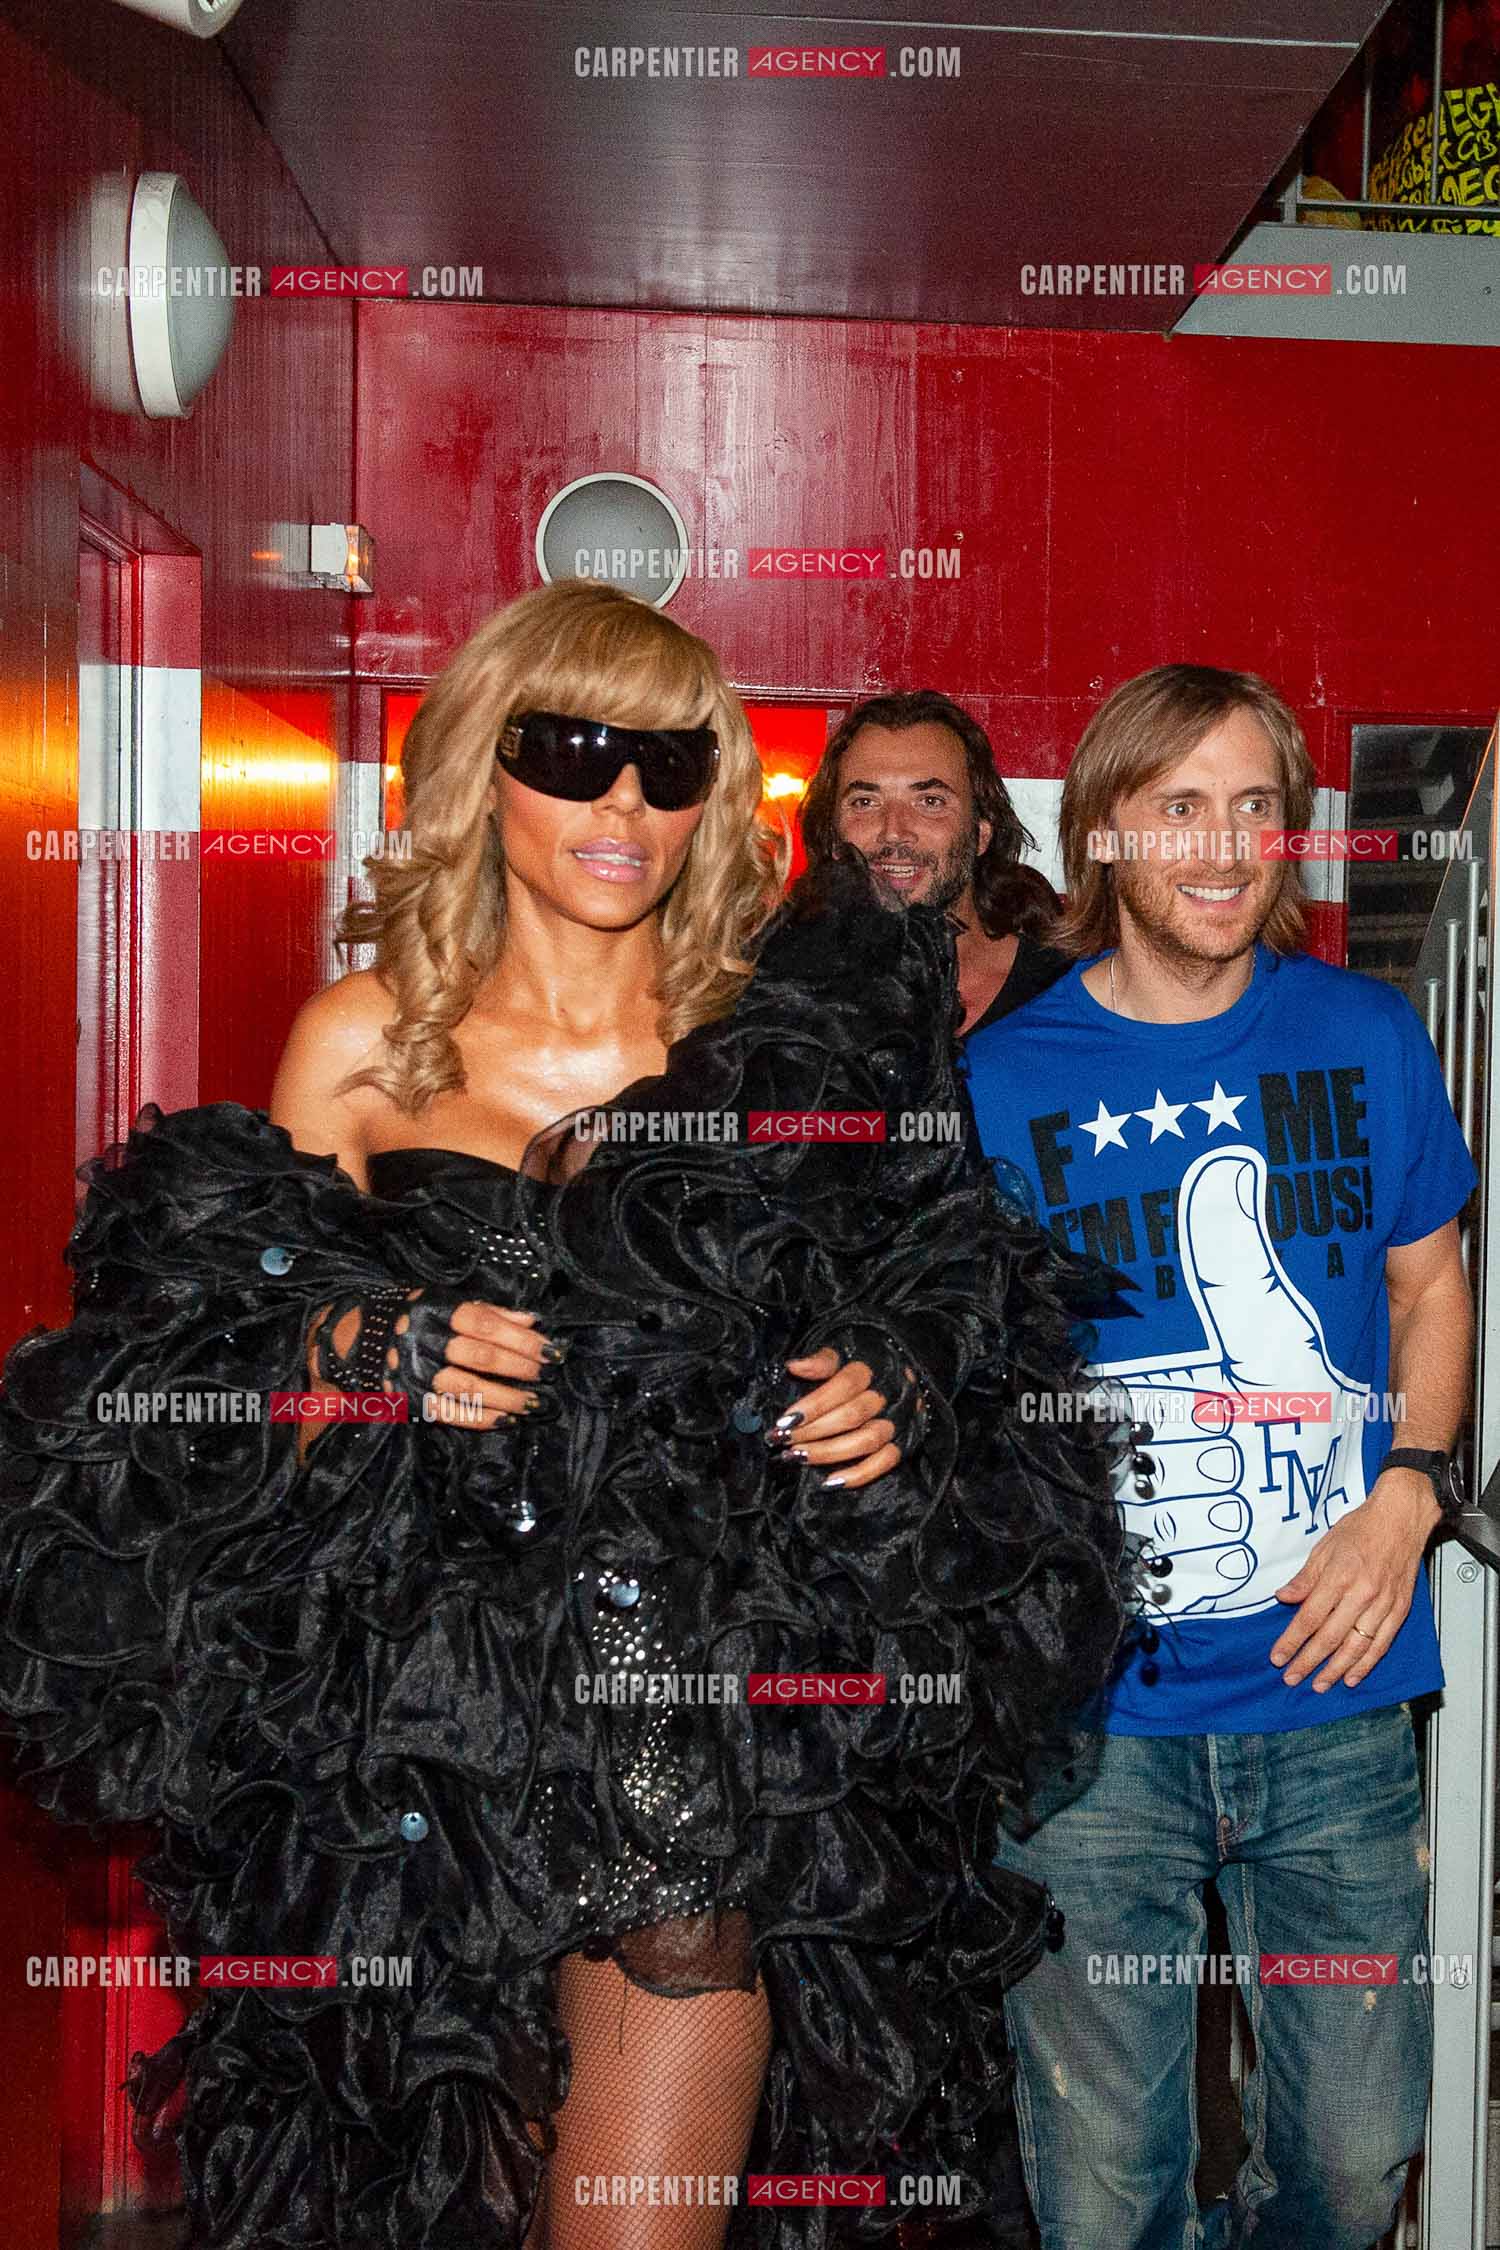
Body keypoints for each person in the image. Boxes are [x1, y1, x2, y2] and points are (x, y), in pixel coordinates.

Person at [0, 582, 1130, 2250]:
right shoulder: (365, 1043)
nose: (626, 805)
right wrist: (365, 1344)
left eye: (675, 768)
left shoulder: (794, 1034)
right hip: (425, 1762)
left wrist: (897, 1380)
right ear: (480, 767)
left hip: (698, 1737)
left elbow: (958, 1274)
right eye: (578, 750)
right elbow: (200, 1369)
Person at [964, 663, 1477, 2250]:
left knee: (1350, 2156)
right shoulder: (995, 1086)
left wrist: (1412, 1487)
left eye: (1257, 804)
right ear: (1106, 834)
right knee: (1106, 2193)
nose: (1224, 841)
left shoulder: (1365, 1031)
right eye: (1180, 803)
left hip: (1335, 1685)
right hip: (1094, 1722)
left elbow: (1431, 1285)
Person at [799, 691, 1069, 1033]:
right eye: (865, 802)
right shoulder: (787, 1000)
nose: (894, 832)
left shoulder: (1062, 991)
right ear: (834, 836)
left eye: (929, 801)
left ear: (981, 833)